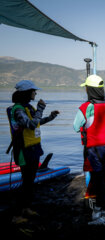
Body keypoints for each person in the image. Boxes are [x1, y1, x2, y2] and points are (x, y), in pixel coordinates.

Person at [7, 80, 59, 224]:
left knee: (30, 182)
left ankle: (26, 208)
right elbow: (29, 125)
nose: (35, 93)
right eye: (33, 91)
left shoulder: (28, 107)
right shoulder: (17, 110)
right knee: (26, 182)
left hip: (34, 148)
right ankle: (17, 215)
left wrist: (50, 117)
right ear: (26, 92)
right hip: (23, 150)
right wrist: (41, 108)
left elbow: (36, 121)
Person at [73, 74, 105, 226]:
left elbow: (75, 126)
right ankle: (97, 211)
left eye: (86, 87)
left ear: (89, 89)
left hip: (94, 149)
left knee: (98, 182)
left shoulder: (86, 107)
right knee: (100, 179)